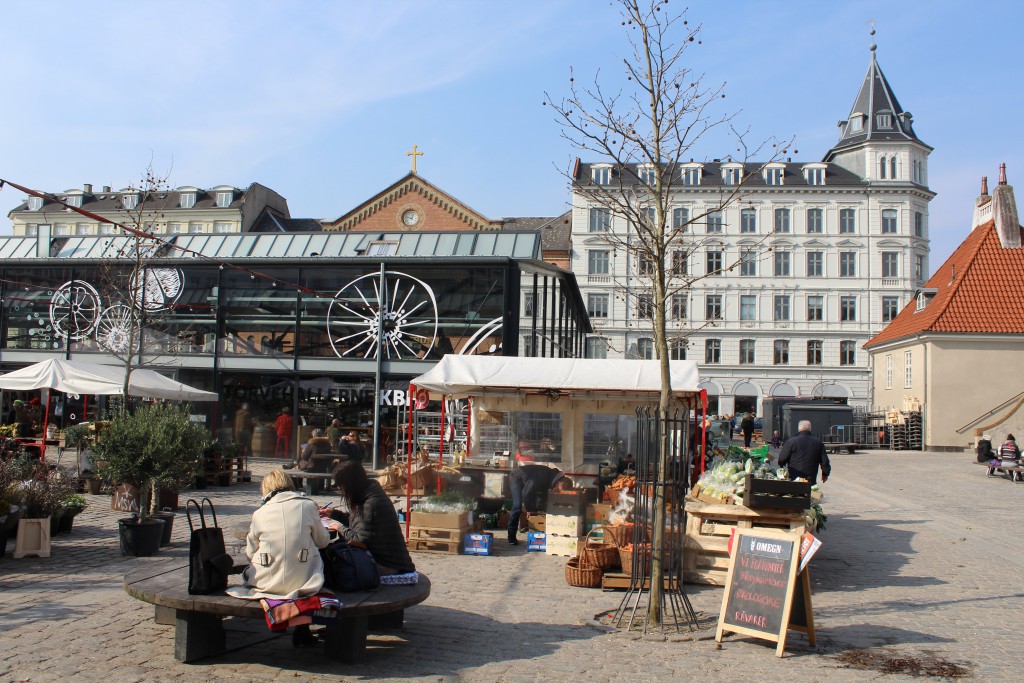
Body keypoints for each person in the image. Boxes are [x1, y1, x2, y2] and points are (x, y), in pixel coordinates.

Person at [227, 469, 330, 647]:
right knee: (314, 565)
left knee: (250, 572)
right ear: (290, 484)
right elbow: (323, 542)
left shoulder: (260, 513)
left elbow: (251, 553)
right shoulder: (307, 506)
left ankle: (283, 624)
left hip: (267, 582)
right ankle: (302, 630)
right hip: (304, 582)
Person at [321, 460, 415, 575]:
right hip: (384, 560)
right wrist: (333, 513)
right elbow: (360, 524)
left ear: (349, 484)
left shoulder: (371, 503)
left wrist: (340, 528)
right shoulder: (368, 494)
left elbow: (359, 539)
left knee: (330, 565)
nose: (340, 489)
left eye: (341, 485)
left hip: (389, 565)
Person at [507, 464, 568, 545]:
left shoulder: (550, 478)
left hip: (528, 480)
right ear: (558, 482)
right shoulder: (543, 477)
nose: (557, 491)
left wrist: (540, 511)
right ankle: (511, 537)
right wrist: (529, 509)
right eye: (558, 489)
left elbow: (541, 495)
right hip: (516, 476)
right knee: (517, 505)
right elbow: (527, 493)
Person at [778, 420, 831, 485]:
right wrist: (825, 474)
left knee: (794, 493)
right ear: (810, 429)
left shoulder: (791, 441)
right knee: (810, 493)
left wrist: (781, 466)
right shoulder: (818, 442)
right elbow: (824, 461)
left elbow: (782, 459)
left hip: (794, 477)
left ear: (799, 429)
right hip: (811, 478)